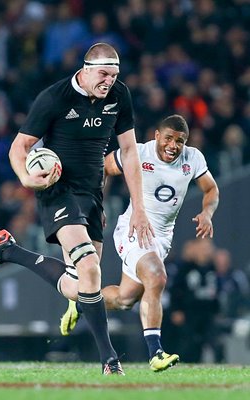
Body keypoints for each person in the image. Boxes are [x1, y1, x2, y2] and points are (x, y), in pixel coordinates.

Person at [0, 43, 154, 375]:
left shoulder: (120, 95)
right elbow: (20, 146)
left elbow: (129, 152)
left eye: (114, 76)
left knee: (84, 283)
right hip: (57, 190)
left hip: (92, 193)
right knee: (88, 267)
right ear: (85, 69)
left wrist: (138, 206)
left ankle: (9, 251)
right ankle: (109, 360)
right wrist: (28, 180)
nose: (108, 82)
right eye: (103, 74)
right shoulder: (55, 98)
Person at [60, 114, 219, 371]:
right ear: (157, 136)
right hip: (134, 229)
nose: (173, 145)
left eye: (180, 141)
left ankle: (81, 300)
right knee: (156, 277)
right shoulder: (139, 153)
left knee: (125, 299)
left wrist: (207, 213)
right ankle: (155, 352)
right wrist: (94, 204)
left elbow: (211, 189)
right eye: (168, 138)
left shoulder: (193, 158)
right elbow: (103, 166)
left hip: (161, 239)